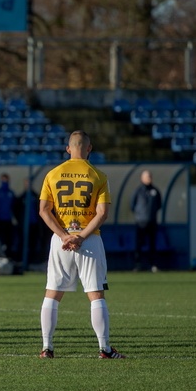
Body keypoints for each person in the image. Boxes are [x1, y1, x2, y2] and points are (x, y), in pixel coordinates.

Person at [37, 130, 125, 359]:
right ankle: (104, 349)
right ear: (89, 148)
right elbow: (102, 213)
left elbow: (43, 211)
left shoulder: (53, 174)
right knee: (96, 295)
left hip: (60, 241)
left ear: (68, 149)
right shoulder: (98, 175)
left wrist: (64, 236)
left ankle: (47, 348)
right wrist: (81, 236)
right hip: (89, 239)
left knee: (52, 294)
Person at [130, 169, 163, 272]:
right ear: (142, 178)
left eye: (150, 176)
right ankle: (138, 265)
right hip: (141, 223)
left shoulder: (155, 191)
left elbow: (159, 205)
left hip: (152, 222)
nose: (149, 178)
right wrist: (140, 215)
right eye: (147, 176)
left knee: (152, 245)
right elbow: (132, 205)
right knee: (139, 245)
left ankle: (153, 265)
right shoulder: (138, 191)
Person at [0, 173, 16, 258]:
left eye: (6, 180)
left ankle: (8, 257)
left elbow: (14, 208)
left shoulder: (11, 193)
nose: (5, 182)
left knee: (8, 241)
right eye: (3, 180)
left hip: (8, 221)